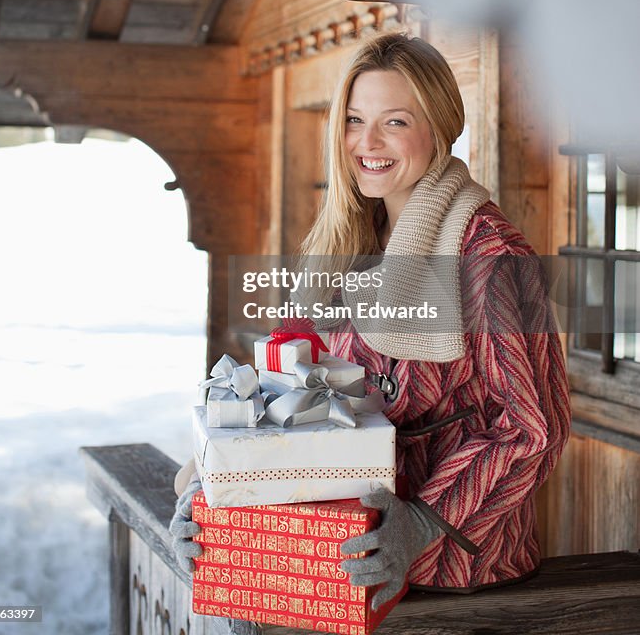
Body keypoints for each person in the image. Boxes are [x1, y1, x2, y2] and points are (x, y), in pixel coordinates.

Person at [171, 31, 570, 611]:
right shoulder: (349, 238)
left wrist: (423, 522)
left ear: (439, 127)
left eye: (396, 122)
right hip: (347, 552)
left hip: (453, 571)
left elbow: (533, 427)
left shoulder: (487, 253)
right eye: (355, 120)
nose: (368, 142)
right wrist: (215, 488)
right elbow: (296, 392)